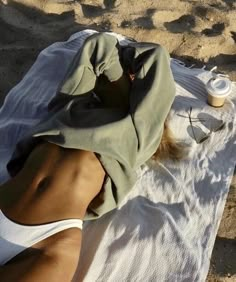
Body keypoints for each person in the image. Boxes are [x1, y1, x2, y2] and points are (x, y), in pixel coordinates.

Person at [0, 32, 178, 280]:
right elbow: (98, 46)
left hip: (46, 241)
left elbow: (155, 56)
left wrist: (122, 82)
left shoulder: (136, 134)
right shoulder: (71, 105)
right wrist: (119, 70)